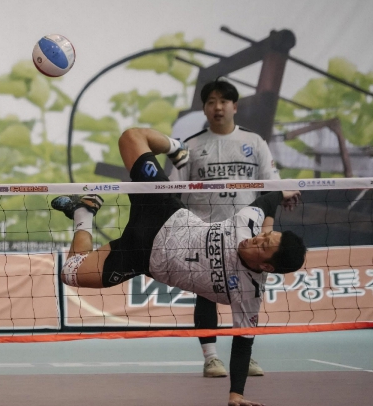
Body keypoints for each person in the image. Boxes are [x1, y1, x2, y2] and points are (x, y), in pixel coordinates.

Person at [52, 127, 305, 406]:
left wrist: (236, 395)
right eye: (264, 236)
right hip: (161, 210)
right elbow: (268, 199)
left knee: (70, 272)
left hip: (141, 257)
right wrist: (283, 191)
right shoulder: (248, 222)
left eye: (262, 246)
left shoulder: (249, 293)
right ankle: (177, 148)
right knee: (131, 137)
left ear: (267, 266)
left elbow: (243, 344)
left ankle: (83, 212)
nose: (255, 240)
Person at [169, 80, 281, 378]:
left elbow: (273, 186)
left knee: (247, 295)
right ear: (204, 108)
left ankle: (244, 358)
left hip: (246, 236)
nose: (217, 107)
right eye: (211, 102)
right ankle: (211, 358)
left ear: (234, 106)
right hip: (203, 234)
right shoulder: (190, 146)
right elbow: (171, 191)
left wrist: (274, 214)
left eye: (223, 101)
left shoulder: (255, 142)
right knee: (205, 294)